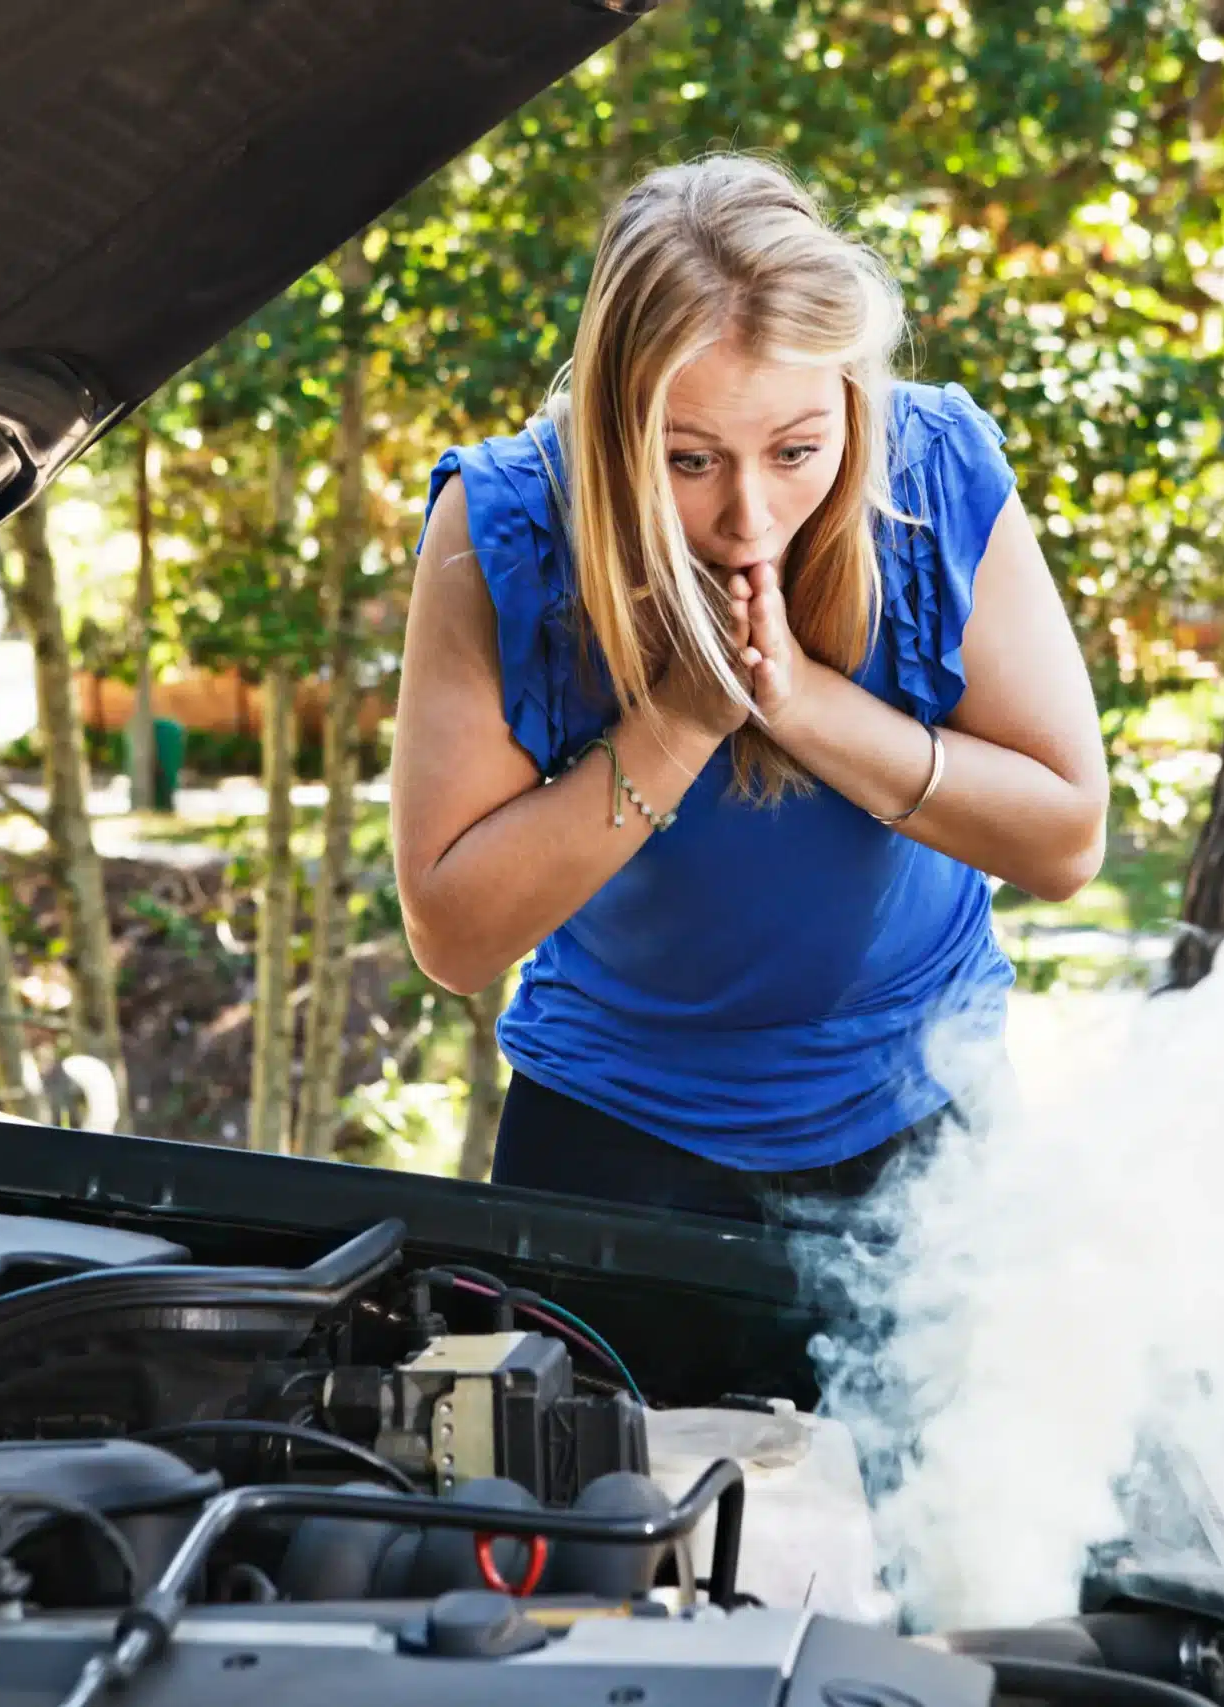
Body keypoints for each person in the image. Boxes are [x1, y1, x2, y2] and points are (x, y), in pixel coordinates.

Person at [389, 155, 1107, 1222]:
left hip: (927, 1123)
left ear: (851, 400)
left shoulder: (939, 469)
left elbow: (1066, 843)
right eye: (688, 461)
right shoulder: (503, 521)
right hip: (611, 1135)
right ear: (610, 427)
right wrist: (681, 721)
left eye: (796, 451)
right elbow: (454, 939)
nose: (750, 516)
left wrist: (809, 706)